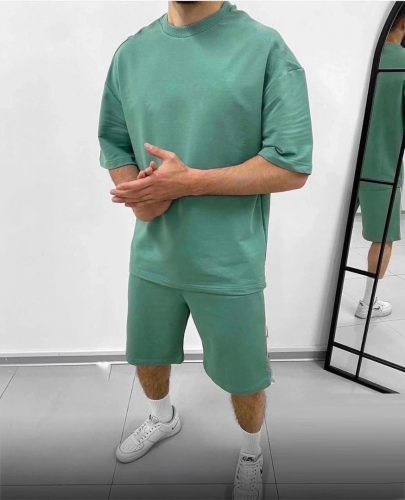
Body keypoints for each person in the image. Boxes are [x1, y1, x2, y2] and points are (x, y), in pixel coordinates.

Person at [98, 2, 313, 498]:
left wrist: (190, 183)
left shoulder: (264, 49)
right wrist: (142, 200)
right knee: (147, 355)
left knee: (245, 376)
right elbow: (113, 140)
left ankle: (251, 452)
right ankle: (162, 418)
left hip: (229, 260)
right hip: (153, 252)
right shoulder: (131, 54)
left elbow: (291, 165)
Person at [355, 5, 405, 320]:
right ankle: (367, 302)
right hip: (382, 165)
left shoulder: (362, 59)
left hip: (344, 166)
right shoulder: (403, 62)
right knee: (382, 237)